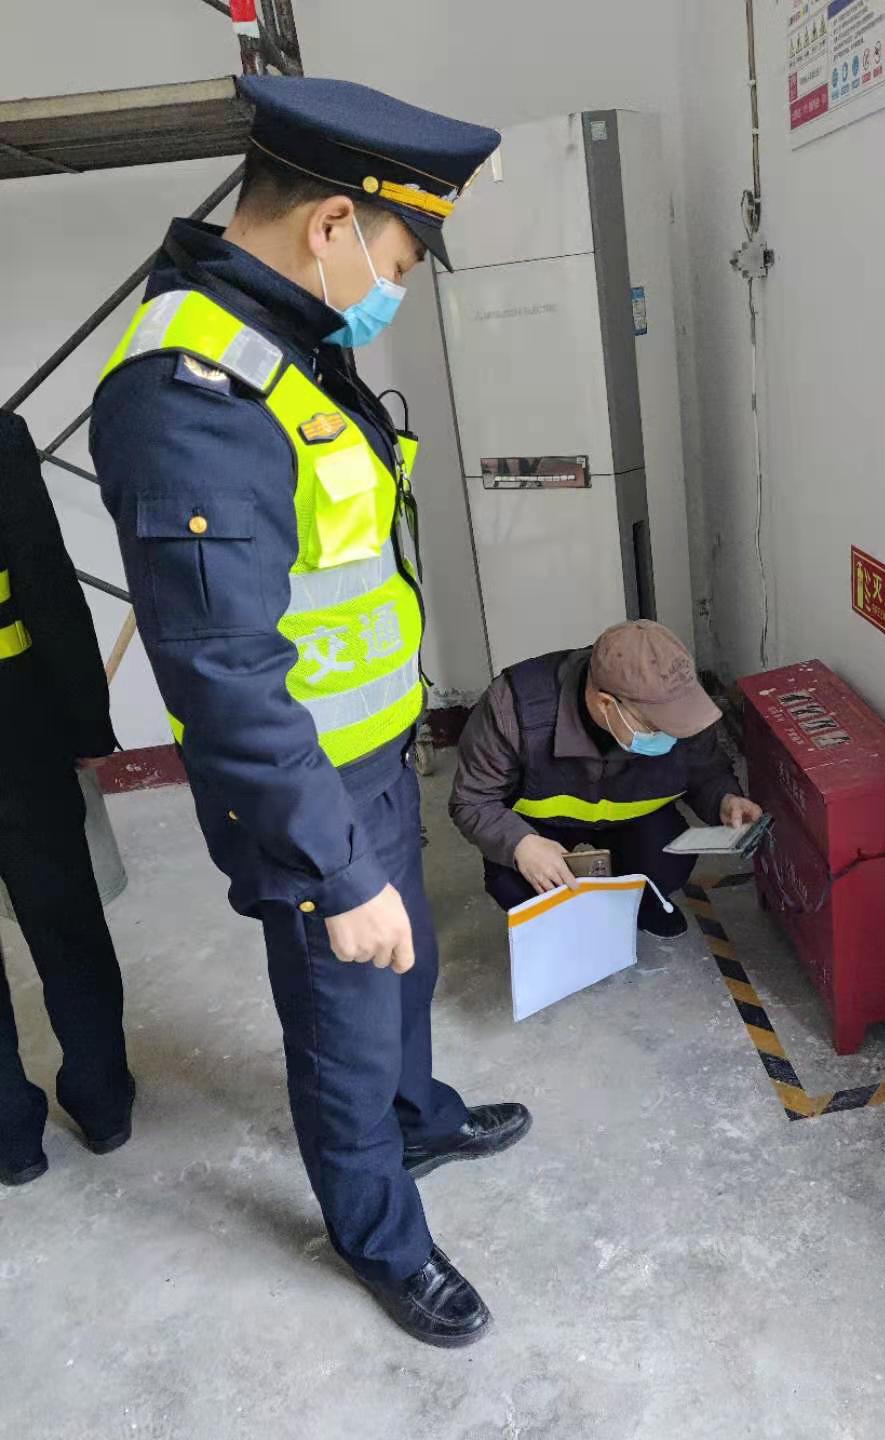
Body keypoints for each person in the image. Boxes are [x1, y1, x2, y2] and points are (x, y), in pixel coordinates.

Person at [90, 76, 527, 1349]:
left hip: (371, 753)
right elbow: (224, 671)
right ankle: (381, 1234)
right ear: (332, 223)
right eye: (398, 260)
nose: (394, 289)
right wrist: (334, 872)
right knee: (342, 1021)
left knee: (408, 969)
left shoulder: (284, 337)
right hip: (305, 791)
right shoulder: (190, 390)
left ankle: (418, 1119)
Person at [0, 412, 132, 1187]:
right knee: (64, 920)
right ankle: (103, 1101)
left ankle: (10, 1137)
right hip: (17, 734)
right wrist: (86, 722)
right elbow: (46, 586)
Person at [450, 620, 763, 934]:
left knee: (665, 865)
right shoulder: (513, 710)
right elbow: (472, 800)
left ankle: (640, 907)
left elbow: (705, 769)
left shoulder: (679, 701)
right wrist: (521, 844)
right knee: (516, 883)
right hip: (542, 828)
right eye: (655, 725)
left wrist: (724, 798)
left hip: (634, 821)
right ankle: (559, 921)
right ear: (605, 704)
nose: (671, 731)